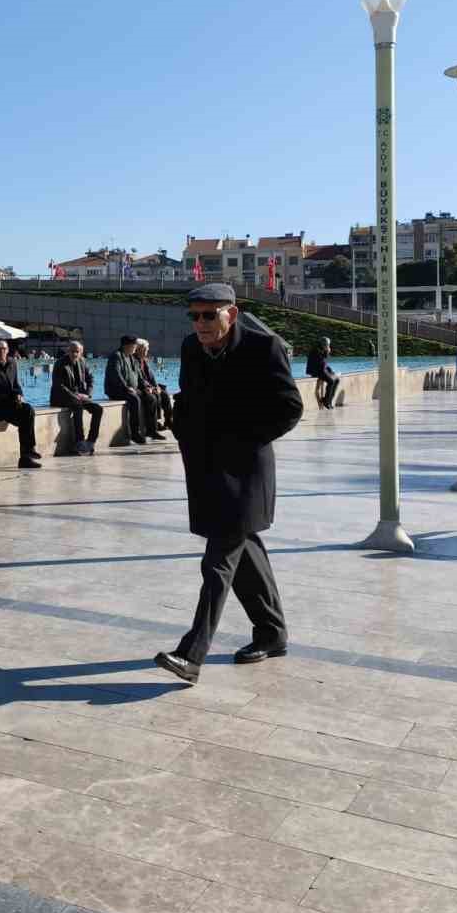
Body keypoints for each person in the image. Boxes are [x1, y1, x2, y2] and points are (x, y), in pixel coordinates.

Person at [154, 283, 303, 686]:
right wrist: (180, 425)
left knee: (218, 562)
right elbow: (190, 396)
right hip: (205, 468)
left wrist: (243, 439)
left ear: (231, 314)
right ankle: (272, 633)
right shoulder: (190, 348)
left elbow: (290, 408)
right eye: (195, 315)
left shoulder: (264, 347)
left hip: (245, 475)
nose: (200, 323)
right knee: (245, 552)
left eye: (209, 315)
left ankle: (191, 654)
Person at [0, 339, 41, 468]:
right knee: (25, 416)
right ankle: (26, 456)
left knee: (28, 410)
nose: (2, 351)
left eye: (4, 349)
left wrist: (19, 395)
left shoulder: (12, 362)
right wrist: (11, 398)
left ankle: (27, 453)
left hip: (10, 403)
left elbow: (16, 385)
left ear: (8, 350)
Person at [51, 340, 102, 454]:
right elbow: (59, 386)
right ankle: (79, 441)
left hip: (79, 396)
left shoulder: (82, 362)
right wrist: (76, 396)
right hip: (62, 397)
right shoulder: (59, 363)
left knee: (98, 409)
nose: (74, 354)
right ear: (68, 351)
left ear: (81, 353)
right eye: (72, 351)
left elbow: (91, 379)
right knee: (78, 407)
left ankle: (90, 442)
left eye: (77, 352)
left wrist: (87, 394)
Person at [104, 335, 148, 445]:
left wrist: (145, 387)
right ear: (127, 346)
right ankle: (134, 432)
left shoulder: (131, 357)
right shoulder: (116, 357)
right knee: (134, 399)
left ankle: (150, 429)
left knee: (149, 397)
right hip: (117, 390)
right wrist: (127, 388)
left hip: (130, 389)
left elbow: (138, 375)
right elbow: (116, 375)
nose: (135, 348)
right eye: (134, 346)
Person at [135, 339, 172, 438]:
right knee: (152, 398)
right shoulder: (134, 361)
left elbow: (151, 377)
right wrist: (150, 387)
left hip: (149, 386)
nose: (147, 351)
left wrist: (156, 386)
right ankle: (152, 428)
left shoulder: (144, 361)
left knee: (165, 394)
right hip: (141, 388)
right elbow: (139, 378)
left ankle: (168, 421)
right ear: (140, 349)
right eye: (146, 349)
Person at [306, 338, 341, 409]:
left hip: (321, 368)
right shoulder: (315, 350)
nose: (327, 346)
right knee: (331, 381)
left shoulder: (321, 348)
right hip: (315, 370)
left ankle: (329, 400)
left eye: (328, 345)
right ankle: (326, 401)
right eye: (327, 345)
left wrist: (330, 371)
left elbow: (324, 362)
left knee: (337, 380)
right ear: (323, 344)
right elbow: (321, 362)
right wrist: (327, 352)